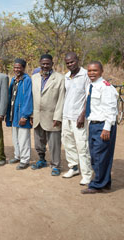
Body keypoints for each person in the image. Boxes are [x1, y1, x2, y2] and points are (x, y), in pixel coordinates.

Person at [81, 61, 118, 194]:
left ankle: (97, 184)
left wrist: (107, 128)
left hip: (103, 125)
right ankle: (105, 182)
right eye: (89, 71)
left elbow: (111, 109)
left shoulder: (106, 87)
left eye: (95, 71)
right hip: (94, 124)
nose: (91, 73)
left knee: (99, 156)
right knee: (97, 155)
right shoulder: (91, 86)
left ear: (101, 71)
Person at [31, 54, 65, 176]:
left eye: (47, 63)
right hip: (37, 115)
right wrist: (31, 114)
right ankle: (41, 160)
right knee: (39, 142)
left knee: (54, 143)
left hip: (52, 116)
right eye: (43, 63)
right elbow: (32, 97)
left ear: (52, 64)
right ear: (40, 63)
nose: (45, 66)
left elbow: (61, 99)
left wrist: (58, 117)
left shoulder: (60, 78)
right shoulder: (34, 77)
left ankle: (56, 165)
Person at [62, 52, 93, 185]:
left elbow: (89, 96)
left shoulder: (85, 75)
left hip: (78, 117)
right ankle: (73, 168)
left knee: (82, 146)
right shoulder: (67, 76)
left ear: (77, 60)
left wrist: (82, 115)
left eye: (72, 62)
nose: (70, 65)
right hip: (66, 116)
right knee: (68, 144)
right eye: (67, 63)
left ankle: (87, 174)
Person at [6, 58, 33, 170]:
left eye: (19, 67)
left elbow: (28, 98)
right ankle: (17, 155)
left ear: (23, 68)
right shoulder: (14, 79)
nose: (16, 69)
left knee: (24, 138)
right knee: (15, 137)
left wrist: (25, 115)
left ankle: (25, 160)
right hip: (13, 113)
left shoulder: (27, 80)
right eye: (15, 67)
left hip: (22, 114)